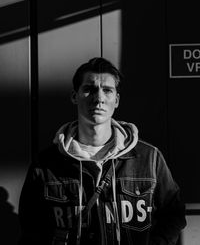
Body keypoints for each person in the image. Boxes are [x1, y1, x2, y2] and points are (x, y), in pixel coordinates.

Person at [18, 57, 186, 245]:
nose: (98, 98)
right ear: (74, 96)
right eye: (89, 89)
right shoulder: (47, 163)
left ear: (116, 100)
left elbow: (174, 213)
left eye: (107, 90)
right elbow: (31, 227)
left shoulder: (149, 158)